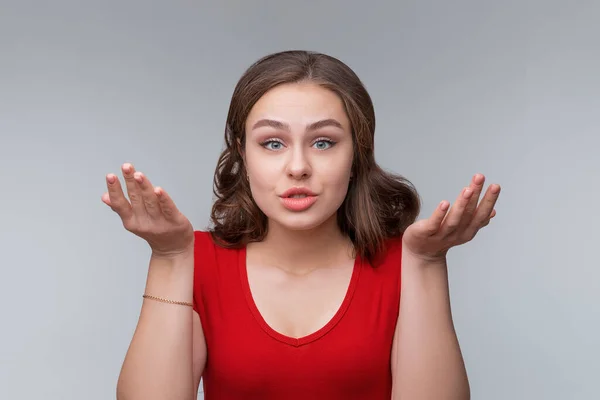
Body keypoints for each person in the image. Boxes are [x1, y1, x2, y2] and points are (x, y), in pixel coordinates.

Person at [102, 50, 500, 400]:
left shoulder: (404, 264)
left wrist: (428, 264)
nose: (298, 167)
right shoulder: (198, 262)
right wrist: (170, 256)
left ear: (357, 154)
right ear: (242, 153)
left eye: (323, 142)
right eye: (272, 143)